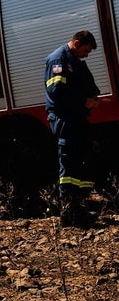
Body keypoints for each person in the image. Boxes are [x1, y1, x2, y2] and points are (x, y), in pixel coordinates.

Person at [45, 30, 100, 227]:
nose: (87, 55)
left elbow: (85, 84)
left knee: (80, 162)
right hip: (65, 120)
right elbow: (58, 93)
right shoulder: (58, 60)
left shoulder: (74, 61)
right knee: (68, 165)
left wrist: (93, 97)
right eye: (85, 50)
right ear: (76, 43)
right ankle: (69, 212)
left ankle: (77, 208)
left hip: (76, 119)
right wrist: (83, 102)